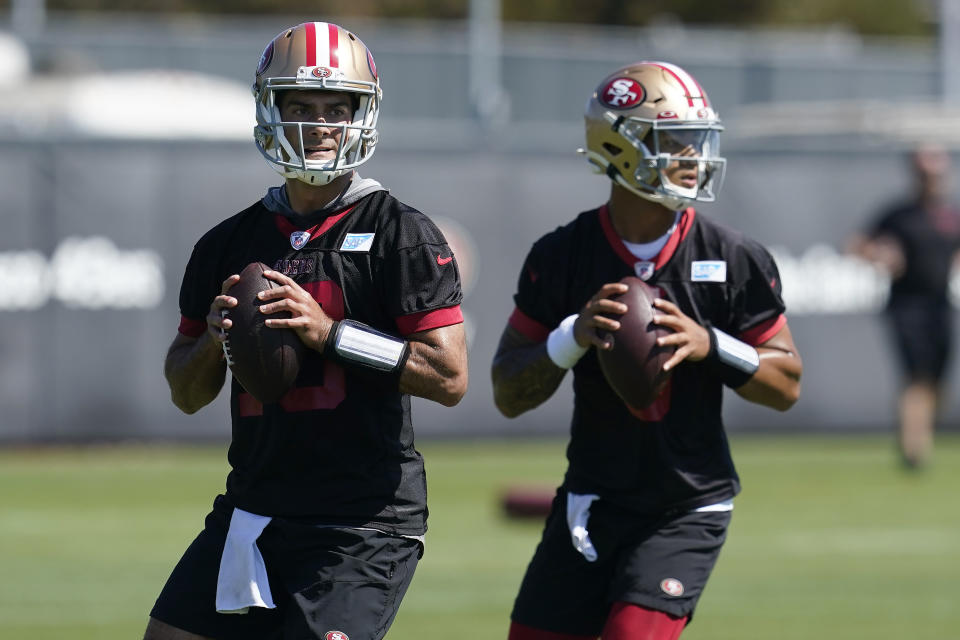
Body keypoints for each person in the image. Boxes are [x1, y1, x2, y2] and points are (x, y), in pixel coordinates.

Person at [143, 21, 468, 640]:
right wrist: (216, 339)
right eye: (300, 106)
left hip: (360, 523)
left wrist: (332, 334)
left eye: (335, 108)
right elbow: (186, 395)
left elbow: (450, 376)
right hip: (255, 505)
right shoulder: (227, 242)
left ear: (362, 115)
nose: (319, 123)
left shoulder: (402, 232)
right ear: (270, 111)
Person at [491, 61, 802, 640]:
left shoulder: (733, 256)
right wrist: (570, 337)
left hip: (685, 504)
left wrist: (711, 344)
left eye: (697, 139)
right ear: (619, 146)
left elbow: (787, 383)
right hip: (591, 496)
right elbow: (507, 390)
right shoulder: (562, 255)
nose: (694, 155)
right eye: (675, 140)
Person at [848, 144, 960, 469]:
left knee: (937, 380)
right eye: (925, 174)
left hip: (940, 305)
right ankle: (914, 450)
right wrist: (879, 256)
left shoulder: (950, 216)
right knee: (915, 376)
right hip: (906, 305)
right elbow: (858, 245)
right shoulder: (898, 215)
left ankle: (919, 435)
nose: (932, 180)